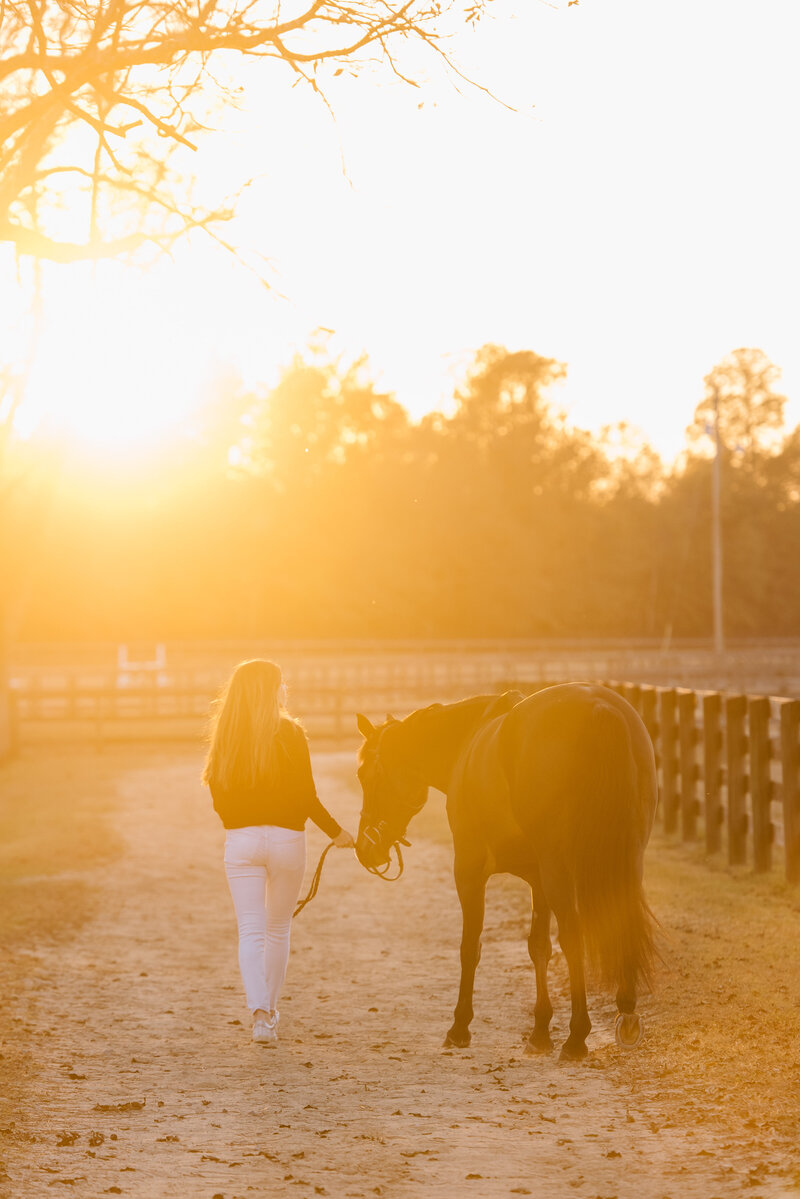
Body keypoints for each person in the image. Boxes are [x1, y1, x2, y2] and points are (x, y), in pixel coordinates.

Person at [202, 659, 354, 1046]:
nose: (286, 689)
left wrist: (239, 823)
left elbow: (216, 790)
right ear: (270, 690)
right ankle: (269, 1013)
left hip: (241, 842)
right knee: (278, 929)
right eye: (281, 683)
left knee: (250, 931)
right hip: (288, 841)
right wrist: (336, 833)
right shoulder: (291, 733)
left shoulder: (226, 734)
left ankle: (259, 1018)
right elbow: (306, 796)